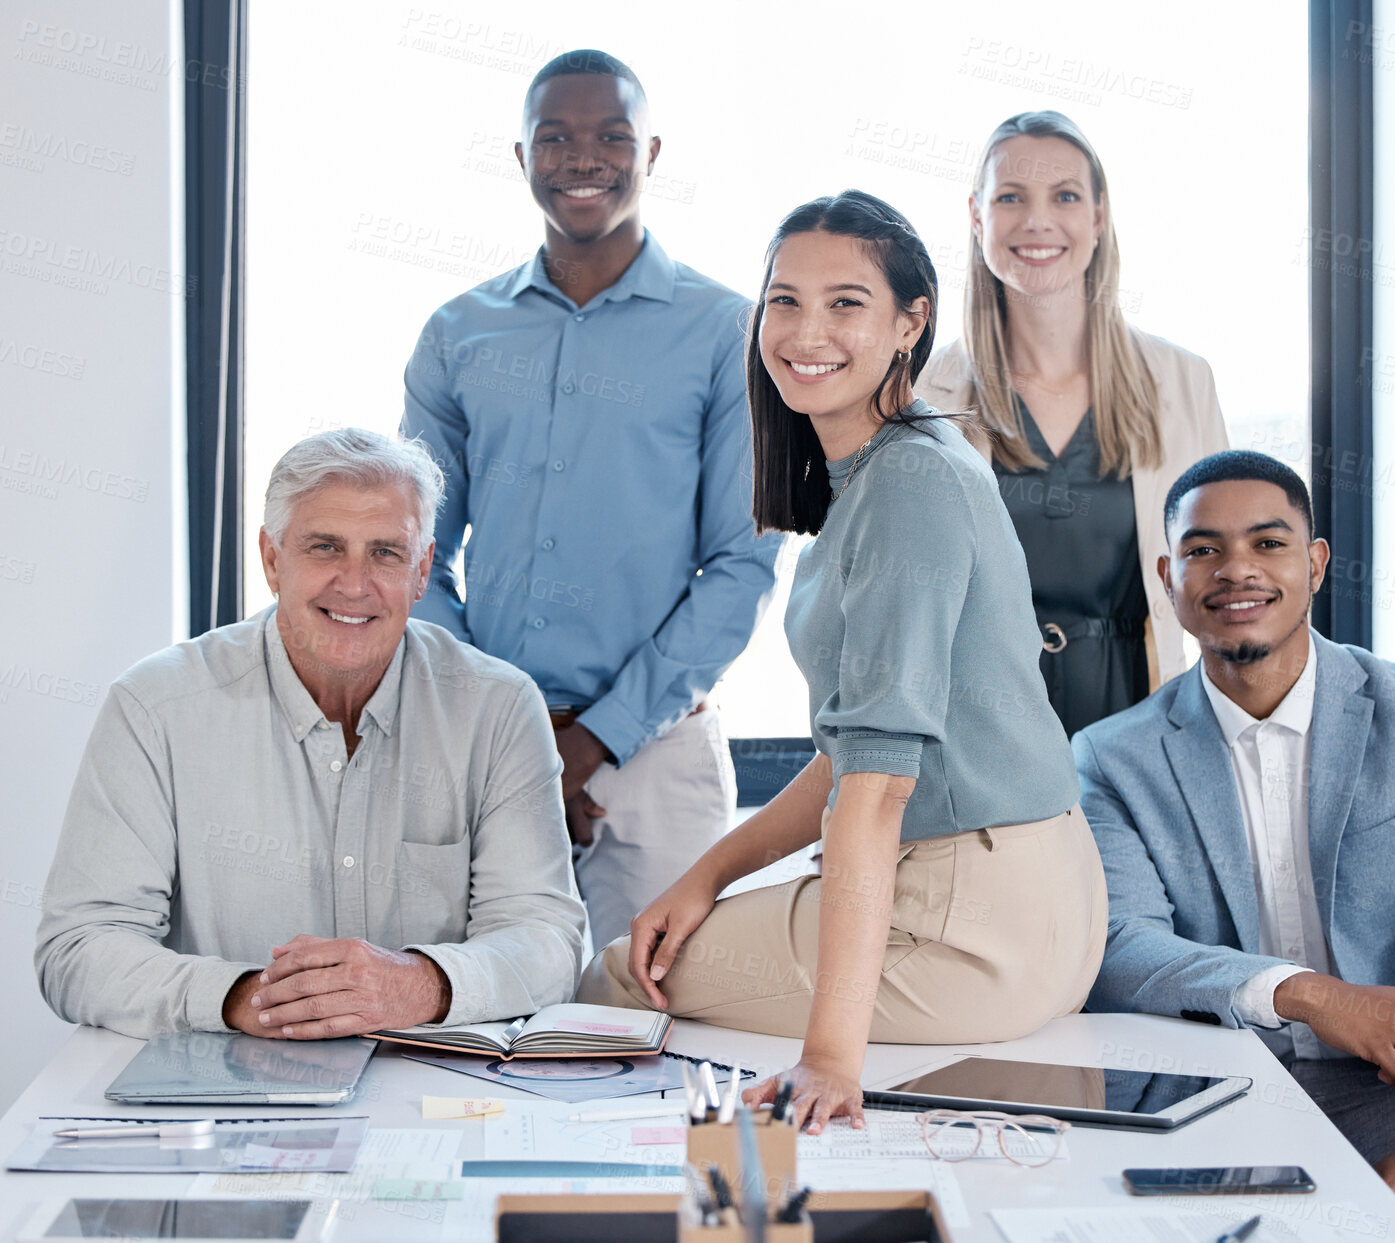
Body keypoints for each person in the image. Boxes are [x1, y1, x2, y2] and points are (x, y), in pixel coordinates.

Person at [577, 190, 1107, 1133]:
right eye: (783, 300)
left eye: (845, 303)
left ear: (912, 322)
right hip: (1028, 897)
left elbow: (872, 792)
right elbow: (850, 747)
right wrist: (706, 875)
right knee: (669, 940)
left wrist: (830, 1059)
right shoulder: (897, 464)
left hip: (970, 919)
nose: (804, 330)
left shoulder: (905, 482)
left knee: (620, 970)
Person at [1073, 450, 1395, 1241]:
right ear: (1168, 578)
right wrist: (1309, 993)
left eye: (1267, 544)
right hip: (1214, 1084)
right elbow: (1122, 945)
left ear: (1313, 564)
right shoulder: (1110, 755)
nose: (1235, 569)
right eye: (1203, 550)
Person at [401, 49, 781, 948]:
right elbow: (410, 553)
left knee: (658, 1028)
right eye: (556, 138)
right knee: (476, 1030)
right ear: (522, 155)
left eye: (611, 136)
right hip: (484, 749)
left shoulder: (727, 331)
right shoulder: (457, 333)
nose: (583, 159)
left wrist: (593, 740)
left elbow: (743, 563)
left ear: (650, 153)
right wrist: (512, 723)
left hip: (657, 759)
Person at [35, 430, 586, 1040]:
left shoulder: (499, 708)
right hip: (221, 1092)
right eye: (325, 547)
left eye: (385, 553)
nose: (354, 584)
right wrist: (249, 997)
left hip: (438, 1098)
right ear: (272, 559)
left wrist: (414, 984)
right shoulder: (155, 707)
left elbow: (548, 940)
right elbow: (79, 949)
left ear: (423, 569)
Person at [915, 111, 1229, 736]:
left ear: (1098, 216)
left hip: (1141, 736)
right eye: (1011, 197)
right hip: (978, 741)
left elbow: (1225, 578)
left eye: (1064, 196)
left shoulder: (1183, 383)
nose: (1037, 220)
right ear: (976, 217)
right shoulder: (924, 395)